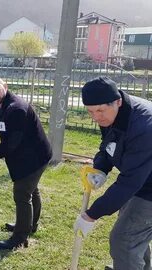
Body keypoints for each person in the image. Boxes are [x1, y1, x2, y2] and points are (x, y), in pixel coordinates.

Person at [74, 76, 152, 270]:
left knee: (124, 240)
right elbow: (108, 145)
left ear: (117, 101)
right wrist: (101, 167)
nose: (96, 117)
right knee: (133, 233)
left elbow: (128, 183)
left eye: (100, 110)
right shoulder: (112, 114)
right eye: (90, 111)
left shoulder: (144, 126)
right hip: (140, 178)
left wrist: (91, 214)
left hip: (147, 187)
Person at [0, 76, 51, 249]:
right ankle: (29, 225)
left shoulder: (16, 108)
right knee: (31, 190)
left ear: (5, 85)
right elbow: (8, 129)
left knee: (22, 194)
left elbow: (13, 142)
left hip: (34, 157)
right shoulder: (2, 104)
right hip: (27, 155)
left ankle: (20, 237)